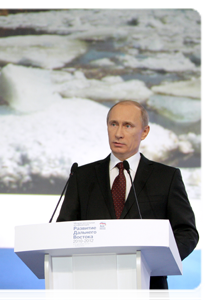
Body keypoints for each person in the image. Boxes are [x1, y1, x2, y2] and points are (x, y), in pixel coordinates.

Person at [57, 100, 199, 300]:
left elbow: (186, 232)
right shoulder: (82, 176)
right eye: (113, 124)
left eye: (128, 125)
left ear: (145, 132)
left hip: (149, 288)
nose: (118, 133)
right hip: (91, 287)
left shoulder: (166, 177)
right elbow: (63, 230)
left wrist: (157, 261)